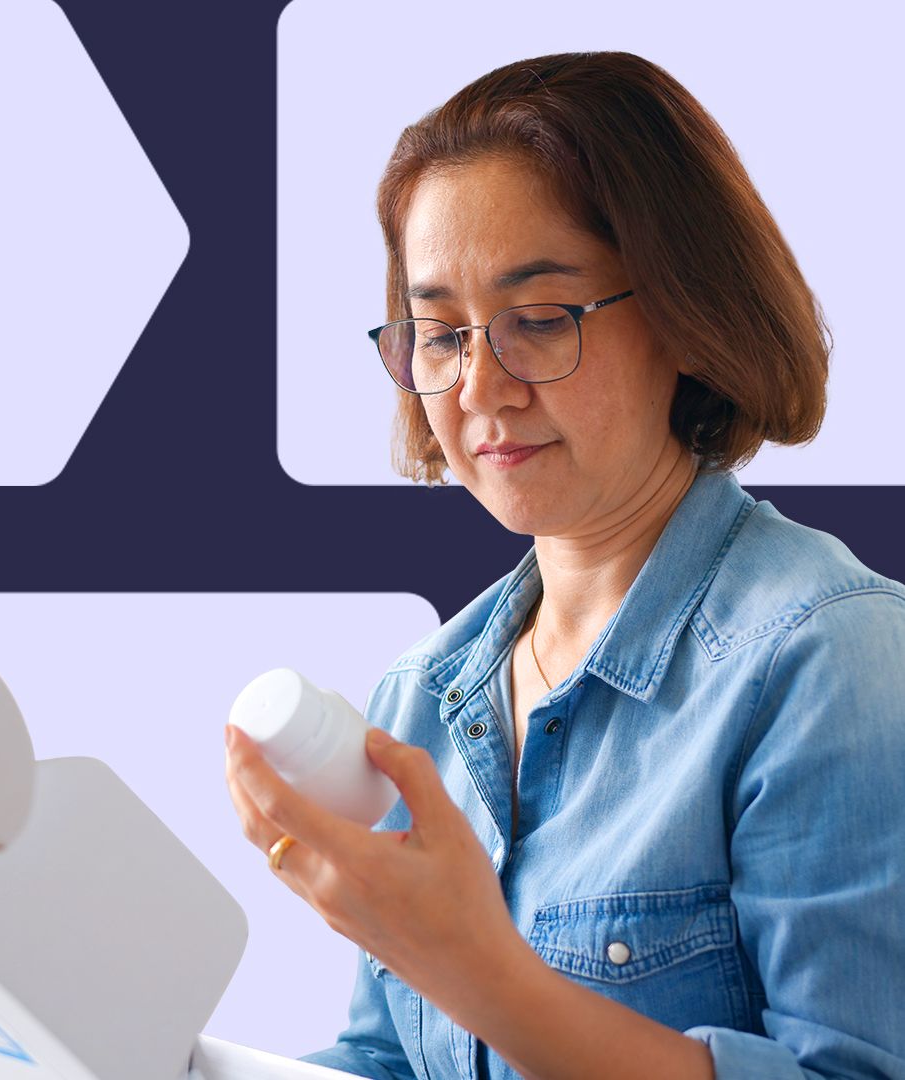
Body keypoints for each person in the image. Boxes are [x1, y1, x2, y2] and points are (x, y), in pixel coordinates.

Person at [225, 52, 905, 1079]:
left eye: (538, 320)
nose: (478, 389)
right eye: (440, 332)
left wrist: (481, 975)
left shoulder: (828, 658)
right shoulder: (422, 698)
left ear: (686, 312)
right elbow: (388, 1060)